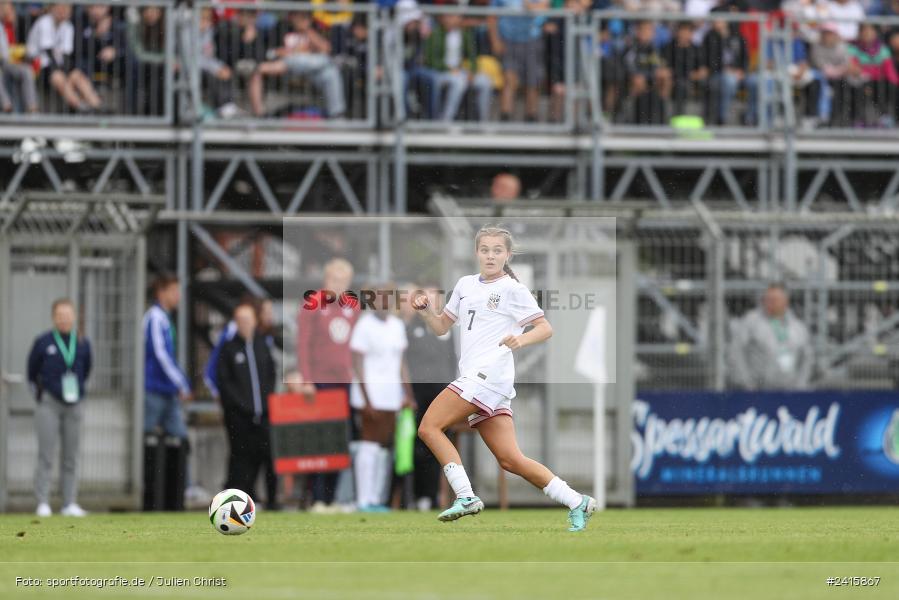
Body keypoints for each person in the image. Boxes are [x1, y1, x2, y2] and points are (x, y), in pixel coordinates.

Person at [412, 226, 597, 532]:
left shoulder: (513, 289)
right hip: (487, 382)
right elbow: (442, 328)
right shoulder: (464, 285)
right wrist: (426, 312)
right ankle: (577, 501)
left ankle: (466, 496)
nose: (490, 255)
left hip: (487, 376)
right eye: (485, 249)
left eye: (497, 250)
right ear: (476, 253)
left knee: (429, 427)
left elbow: (544, 328)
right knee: (511, 460)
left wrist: (520, 341)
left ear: (507, 255)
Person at [296, 258, 360, 511]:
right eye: (334, 279)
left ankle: (333, 498)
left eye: (343, 281)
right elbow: (302, 344)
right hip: (320, 382)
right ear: (325, 279)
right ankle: (317, 497)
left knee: (339, 440)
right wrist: (306, 378)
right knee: (319, 440)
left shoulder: (352, 307)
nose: (339, 284)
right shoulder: (313, 305)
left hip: (344, 382)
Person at [350, 283, 415, 511]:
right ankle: (363, 500)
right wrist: (367, 400)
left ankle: (376, 499)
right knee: (368, 445)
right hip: (370, 395)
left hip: (391, 395)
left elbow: (401, 363)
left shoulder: (397, 326)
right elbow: (357, 364)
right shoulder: (364, 326)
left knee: (384, 448)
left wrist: (408, 394)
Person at [26, 298, 92, 517]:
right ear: (54, 317)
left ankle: (69, 502)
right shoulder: (43, 342)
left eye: (67, 315)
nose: (64, 319)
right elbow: (31, 372)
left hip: (74, 405)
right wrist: (41, 395)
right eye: (59, 315)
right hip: (49, 404)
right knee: (46, 454)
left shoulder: (82, 343)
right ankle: (42, 502)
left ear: (74, 317)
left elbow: (87, 369)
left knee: (71, 455)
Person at [400, 285, 457, 511]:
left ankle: (436, 496)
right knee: (418, 445)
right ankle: (417, 496)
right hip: (418, 395)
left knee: (441, 445)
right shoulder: (411, 326)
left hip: (444, 395)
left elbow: (454, 361)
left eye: (436, 296)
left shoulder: (448, 327)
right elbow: (403, 362)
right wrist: (407, 393)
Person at [216, 302, 278, 507]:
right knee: (240, 459)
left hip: (264, 415)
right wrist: (242, 405)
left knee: (269, 456)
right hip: (239, 417)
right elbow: (225, 382)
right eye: (240, 320)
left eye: (248, 319)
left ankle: (272, 501)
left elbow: (271, 375)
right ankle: (235, 502)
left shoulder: (263, 345)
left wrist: (266, 402)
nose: (245, 324)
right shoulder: (228, 348)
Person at [248, 11, 346, 118]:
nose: (303, 19)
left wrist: (307, 30)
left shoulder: (315, 27)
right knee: (326, 64)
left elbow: (326, 49)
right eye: (299, 16)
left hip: (312, 69)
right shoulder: (282, 27)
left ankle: (336, 115)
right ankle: (259, 114)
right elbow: (271, 50)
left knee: (331, 73)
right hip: (286, 69)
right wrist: (287, 52)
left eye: (306, 17)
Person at [729, 283, 815, 391]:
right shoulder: (751, 322)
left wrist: (800, 384)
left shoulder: (797, 327)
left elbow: (807, 358)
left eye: (775, 299)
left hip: (790, 390)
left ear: (785, 301)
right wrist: (746, 381)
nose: (770, 303)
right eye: (767, 299)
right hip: (758, 389)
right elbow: (736, 351)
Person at [26, 3, 103, 113]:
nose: (64, 11)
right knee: (59, 77)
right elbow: (49, 52)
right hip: (37, 67)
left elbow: (66, 55)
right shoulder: (44, 22)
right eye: (61, 8)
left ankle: (96, 105)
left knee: (77, 75)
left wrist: (68, 72)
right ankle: (79, 106)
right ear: (52, 9)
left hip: (55, 66)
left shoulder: (67, 26)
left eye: (67, 8)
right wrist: (64, 73)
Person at [143, 274, 192, 439]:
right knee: (145, 438)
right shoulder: (155, 317)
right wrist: (181, 382)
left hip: (168, 391)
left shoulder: (165, 318)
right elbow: (160, 355)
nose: (177, 295)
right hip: (153, 390)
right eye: (173, 290)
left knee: (180, 439)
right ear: (160, 293)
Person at [488, 0, 549, 122]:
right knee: (509, 79)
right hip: (508, 40)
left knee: (533, 81)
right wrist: (495, 40)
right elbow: (492, 17)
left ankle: (531, 117)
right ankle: (505, 117)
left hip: (532, 40)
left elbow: (544, 8)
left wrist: (529, 5)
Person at [0, 1, 38, 113]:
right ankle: (7, 106)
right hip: (4, 62)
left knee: (27, 71)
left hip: (15, 62)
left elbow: (29, 47)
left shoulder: (21, 23)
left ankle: (32, 109)